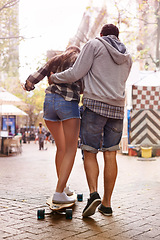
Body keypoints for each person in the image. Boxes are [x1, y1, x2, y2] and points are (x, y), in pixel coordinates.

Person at [49, 24, 132, 217]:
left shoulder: (94, 44)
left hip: (95, 106)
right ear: (117, 37)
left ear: (101, 35)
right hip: (117, 109)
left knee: (90, 151)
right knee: (111, 154)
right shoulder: (128, 56)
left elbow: (76, 72)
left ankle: (93, 193)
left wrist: (55, 78)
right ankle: (107, 204)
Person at [23, 46, 81, 203]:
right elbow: (83, 86)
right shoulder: (79, 60)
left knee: (61, 148)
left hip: (49, 103)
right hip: (68, 103)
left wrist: (29, 86)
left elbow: (32, 79)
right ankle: (58, 192)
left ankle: (63, 186)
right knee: (71, 149)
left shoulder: (55, 59)